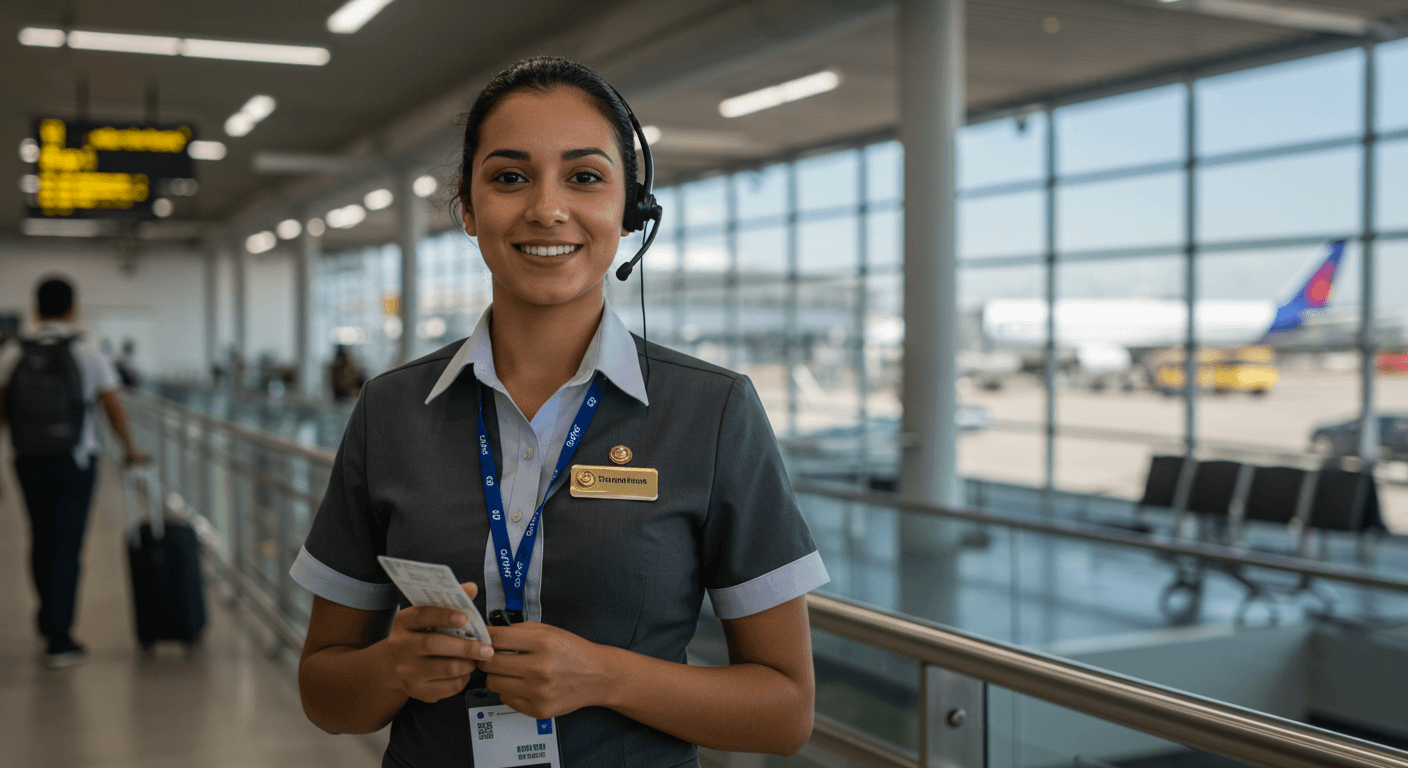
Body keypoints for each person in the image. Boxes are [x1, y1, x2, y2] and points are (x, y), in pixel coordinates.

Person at [291, 57, 828, 767]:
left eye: (584, 177)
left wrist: (606, 677)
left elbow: (785, 712)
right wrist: (392, 667)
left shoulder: (713, 412)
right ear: (469, 206)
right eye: (510, 177)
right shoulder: (392, 409)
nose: (547, 208)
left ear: (631, 211)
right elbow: (326, 696)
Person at [0, 276, 146, 669]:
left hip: (27, 458)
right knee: (67, 545)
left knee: (39, 538)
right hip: (76, 461)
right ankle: (60, 639)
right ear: (72, 309)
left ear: (35, 309)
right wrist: (130, 450)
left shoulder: (13, 354)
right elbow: (112, 407)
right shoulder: (88, 352)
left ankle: (48, 618)